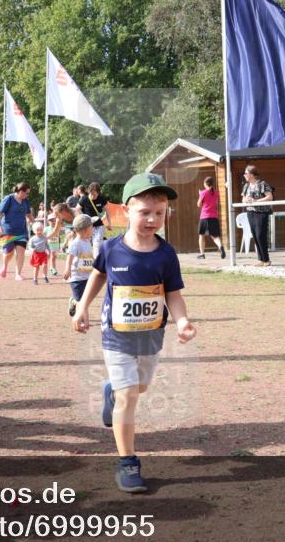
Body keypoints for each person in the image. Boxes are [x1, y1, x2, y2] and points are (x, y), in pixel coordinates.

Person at [72, 172, 196, 493]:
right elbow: (98, 276)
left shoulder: (166, 254)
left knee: (137, 388)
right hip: (116, 335)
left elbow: (173, 294)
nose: (153, 219)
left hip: (151, 336)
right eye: (145, 212)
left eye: (160, 212)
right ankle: (127, 461)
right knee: (129, 397)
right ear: (126, 211)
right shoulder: (112, 249)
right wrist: (83, 306)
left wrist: (182, 321)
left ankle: (111, 390)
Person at [0, 182, 33, 280]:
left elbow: (29, 214)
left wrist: (35, 223)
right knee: (9, 252)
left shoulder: (25, 201)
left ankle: (18, 274)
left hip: (21, 231)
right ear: (21, 191)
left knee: (21, 252)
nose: (27, 195)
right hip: (7, 230)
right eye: (26, 193)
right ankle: (4, 266)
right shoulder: (9, 198)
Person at [241, 164, 275, 266]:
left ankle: (266, 259)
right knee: (255, 235)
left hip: (261, 213)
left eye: (246, 173)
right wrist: (245, 200)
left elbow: (270, 197)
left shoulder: (262, 184)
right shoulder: (246, 186)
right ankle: (261, 259)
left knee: (261, 235)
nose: (244, 175)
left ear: (251, 174)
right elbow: (243, 198)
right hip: (250, 213)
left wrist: (256, 201)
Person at [63, 213, 94, 317]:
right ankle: (82, 319)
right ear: (86, 230)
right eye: (92, 227)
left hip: (87, 277)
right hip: (76, 278)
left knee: (85, 299)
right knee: (82, 301)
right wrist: (67, 269)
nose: (93, 229)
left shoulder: (88, 242)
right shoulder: (76, 243)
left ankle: (74, 301)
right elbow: (70, 256)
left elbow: (89, 257)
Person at [79, 181, 111, 257]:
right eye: (91, 193)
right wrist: (82, 220)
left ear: (98, 192)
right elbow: (77, 209)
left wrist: (109, 223)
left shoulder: (102, 199)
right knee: (87, 246)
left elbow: (107, 211)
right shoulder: (84, 199)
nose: (92, 196)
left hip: (99, 226)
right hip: (87, 227)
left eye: (94, 194)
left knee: (96, 245)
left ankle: (96, 264)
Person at [197, 175, 226, 259]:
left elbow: (199, 205)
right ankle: (220, 247)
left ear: (205, 183)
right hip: (214, 217)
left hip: (205, 217)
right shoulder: (216, 192)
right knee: (215, 236)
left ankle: (202, 254)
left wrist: (200, 195)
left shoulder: (203, 192)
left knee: (201, 235)